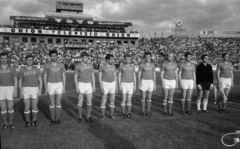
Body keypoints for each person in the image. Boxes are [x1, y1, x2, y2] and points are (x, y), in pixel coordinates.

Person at [19, 55, 42, 127]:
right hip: (25, 89)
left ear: (33, 61)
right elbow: (20, 81)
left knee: (34, 106)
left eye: (31, 60)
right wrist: (20, 91)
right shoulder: (22, 70)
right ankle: (27, 121)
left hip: (35, 89)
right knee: (27, 106)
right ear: (25, 61)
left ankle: (34, 121)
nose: (29, 61)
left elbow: (40, 81)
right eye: (28, 60)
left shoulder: (37, 70)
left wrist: (40, 90)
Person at [44, 50, 66, 125]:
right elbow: (45, 77)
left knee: (58, 102)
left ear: (57, 56)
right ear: (50, 56)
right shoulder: (46, 65)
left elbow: (63, 76)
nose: (54, 57)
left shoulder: (61, 65)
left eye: (55, 55)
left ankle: (58, 118)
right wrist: (46, 87)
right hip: (50, 84)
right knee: (52, 102)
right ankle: (53, 118)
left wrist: (64, 86)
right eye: (52, 56)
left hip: (59, 84)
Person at [74, 52, 95, 123]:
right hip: (81, 84)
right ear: (82, 58)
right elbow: (75, 77)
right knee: (80, 102)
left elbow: (93, 76)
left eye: (87, 57)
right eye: (85, 57)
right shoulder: (78, 66)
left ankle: (88, 116)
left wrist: (94, 85)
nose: (87, 59)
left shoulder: (90, 65)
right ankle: (80, 117)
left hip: (89, 84)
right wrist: (76, 87)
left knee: (89, 102)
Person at [0, 52, 17, 130]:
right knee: (3, 107)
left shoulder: (12, 68)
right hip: (1, 89)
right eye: (2, 58)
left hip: (10, 88)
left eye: (5, 58)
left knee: (10, 107)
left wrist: (15, 90)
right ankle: (5, 124)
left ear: (7, 59)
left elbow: (15, 80)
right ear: (0, 59)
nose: (4, 60)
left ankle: (10, 123)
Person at [99, 54, 118, 120]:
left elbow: (115, 76)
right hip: (105, 84)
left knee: (112, 100)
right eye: (111, 59)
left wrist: (116, 86)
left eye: (113, 59)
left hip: (112, 84)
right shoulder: (102, 66)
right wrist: (101, 87)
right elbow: (99, 77)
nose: (113, 60)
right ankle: (102, 115)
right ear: (107, 60)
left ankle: (111, 114)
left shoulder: (114, 66)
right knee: (104, 100)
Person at [138, 52, 156, 117]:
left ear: (150, 57)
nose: (147, 58)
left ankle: (148, 111)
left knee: (149, 97)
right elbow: (139, 74)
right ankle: (142, 111)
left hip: (150, 82)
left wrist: (154, 84)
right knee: (143, 97)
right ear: (144, 58)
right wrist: (139, 83)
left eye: (149, 57)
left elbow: (154, 74)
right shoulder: (141, 65)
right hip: (143, 81)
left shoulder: (153, 65)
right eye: (146, 57)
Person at [118, 54, 136, 119]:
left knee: (129, 99)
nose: (128, 60)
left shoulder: (133, 66)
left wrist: (135, 85)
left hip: (131, 84)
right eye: (126, 59)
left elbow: (134, 76)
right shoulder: (121, 66)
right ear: (124, 59)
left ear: (130, 60)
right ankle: (123, 113)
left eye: (129, 59)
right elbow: (119, 76)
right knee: (123, 99)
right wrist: (119, 84)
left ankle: (128, 113)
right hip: (123, 84)